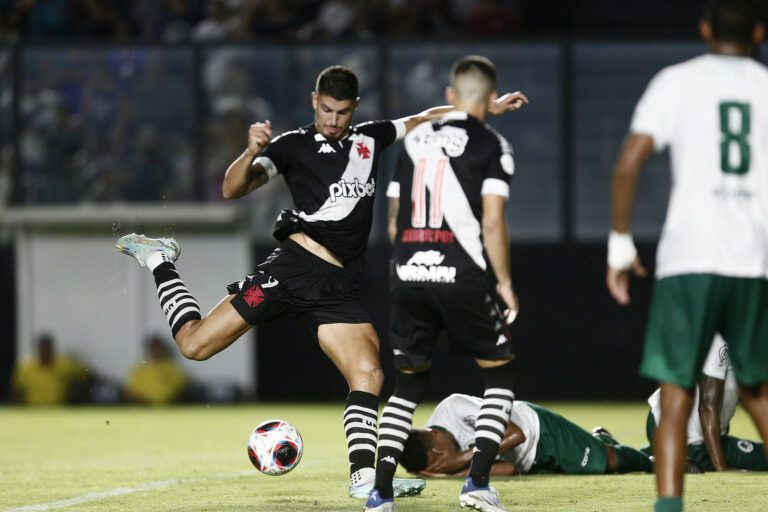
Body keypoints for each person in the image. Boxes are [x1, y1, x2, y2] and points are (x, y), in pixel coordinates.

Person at [115, 64, 527, 499]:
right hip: (287, 273)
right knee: (194, 345)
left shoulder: (370, 138)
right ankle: (160, 258)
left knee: (368, 373)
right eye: (326, 109)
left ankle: (363, 477)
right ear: (314, 101)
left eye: (342, 112)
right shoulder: (292, 146)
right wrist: (250, 151)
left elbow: (425, 117)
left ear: (355, 109)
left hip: (336, 289)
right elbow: (232, 189)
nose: (332, 120)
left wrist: (482, 109)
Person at [606, 1, 768, 511]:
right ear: (759, 32)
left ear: (704, 29)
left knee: (676, 392)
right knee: (759, 391)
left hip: (690, 257)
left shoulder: (677, 81)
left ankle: (669, 507)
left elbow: (629, 163)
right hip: (751, 257)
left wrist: (620, 243)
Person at [365, 56, 526, 512]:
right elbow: (493, 220)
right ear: (490, 97)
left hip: (407, 271)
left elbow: (395, 217)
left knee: (407, 385)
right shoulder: (494, 144)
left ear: (451, 94)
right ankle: (476, 485)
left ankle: (380, 494)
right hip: (462, 273)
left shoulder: (414, 140)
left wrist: (407, 263)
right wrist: (506, 282)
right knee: (499, 374)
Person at [396, 393, 652, 479]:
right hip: (529, 465)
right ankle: (600, 439)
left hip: (540, 431)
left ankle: (652, 463)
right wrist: (453, 471)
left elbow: (515, 434)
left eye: (442, 462)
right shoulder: (447, 459)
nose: (447, 465)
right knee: (593, 469)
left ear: (434, 442)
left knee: (607, 462)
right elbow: (507, 469)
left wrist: (461, 458)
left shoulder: (453, 408)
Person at [645, 334, 768, 472]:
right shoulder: (722, 339)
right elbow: (707, 406)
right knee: (761, 456)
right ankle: (652, 458)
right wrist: (722, 468)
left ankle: (638, 456)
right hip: (684, 434)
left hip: (671, 422)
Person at [10, 334, 90, 405]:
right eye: (42, 350)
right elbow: (17, 389)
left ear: (52, 350)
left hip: (58, 408)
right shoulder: (26, 367)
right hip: (32, 408)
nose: (45, 353)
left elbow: (85, 373)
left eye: (47, 350)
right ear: (38, 350)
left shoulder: (64, 365)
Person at [125, 335, 187, 405]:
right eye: (153, 348)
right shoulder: (139, 370)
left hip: (169, 407)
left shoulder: (172, 368)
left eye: (157, 348)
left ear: (161, 349)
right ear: (148, 349)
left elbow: (180, 389)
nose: (155, 351)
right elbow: (132, 392)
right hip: (143, 408)